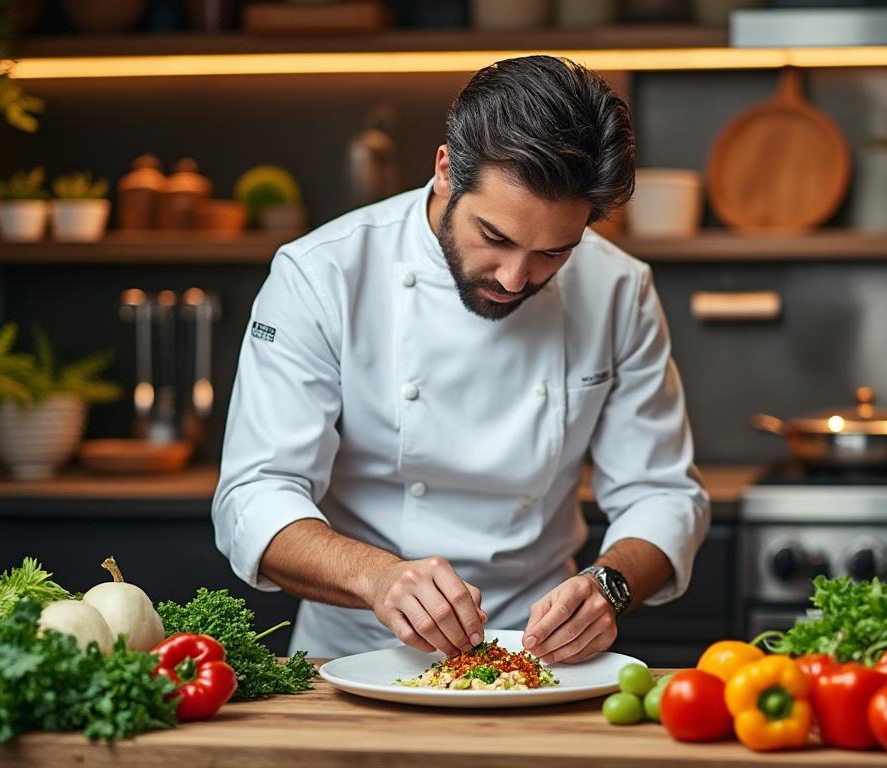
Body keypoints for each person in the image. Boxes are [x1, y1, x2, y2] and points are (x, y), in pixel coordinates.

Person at [212, 55, 710, 664]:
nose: (514, 277)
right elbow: (257, 492)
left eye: (554, 253)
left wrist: (608, 587)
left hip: (543, 660)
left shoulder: (618, 289)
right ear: (446, 170)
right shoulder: (322, 275)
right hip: (353, 655)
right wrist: (378, 578)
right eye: (495, 238)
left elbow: (661, 494)